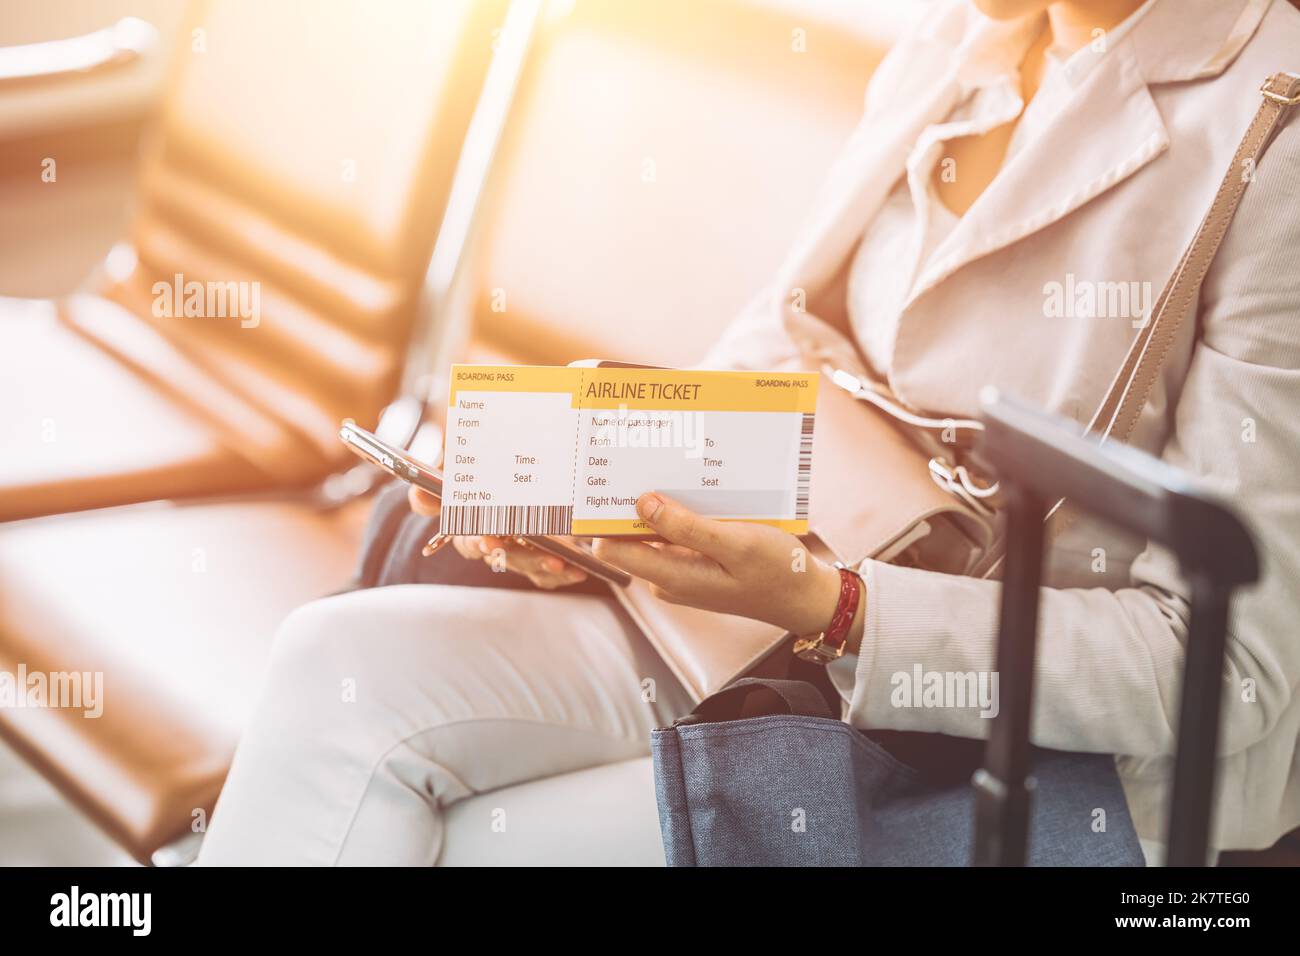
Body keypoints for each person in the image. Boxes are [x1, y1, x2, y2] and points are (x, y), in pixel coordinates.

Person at [197, 0, 1300, 865]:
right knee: (332, 662)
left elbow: (1230, 678)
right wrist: (601, 483)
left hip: (1043, 751)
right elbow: (778, 345)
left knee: (479, 841)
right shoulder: (962, 39)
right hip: (780, 625)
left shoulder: (1270, 137)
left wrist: (845, 610)